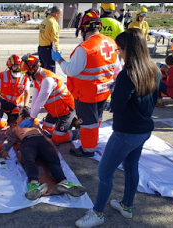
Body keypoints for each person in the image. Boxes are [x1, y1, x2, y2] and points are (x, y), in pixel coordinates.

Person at [75, 28, 160, 228]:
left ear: (130, 49)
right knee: (132, 167)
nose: (118, 53)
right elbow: (154, 98)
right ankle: (126, 206)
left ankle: (97, 213)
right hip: (144, 130)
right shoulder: (154, 69)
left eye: (120, 49)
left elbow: (117, 106)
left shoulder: (127, 75)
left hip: (125, 133)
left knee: (104, 172)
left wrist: (114, 91)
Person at [52, 11, 121, 157]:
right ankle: (93, 140)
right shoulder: (111, 43)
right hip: (104, 91)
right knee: (97, 119)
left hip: (86, 93)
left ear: (83, 29)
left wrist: (59, 59)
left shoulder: (85, 48)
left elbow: (71, 71)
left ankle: (88, 149)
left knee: (88, 123)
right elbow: (117, 69)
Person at [0, 109, 86, 201]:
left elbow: (46, 137)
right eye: (21, 116)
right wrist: (4, 149)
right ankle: (34, 184)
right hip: (28, 142)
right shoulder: (14, 128)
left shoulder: (34, 125)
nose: (23, 117)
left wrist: (54, 148)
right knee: (28, 161)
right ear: (16, 120)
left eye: (24, 116)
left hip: (42, 141)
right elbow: (8, 140)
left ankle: (64, 182)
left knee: (54, 159)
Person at [19, 54, 79, 145]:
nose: (26, 76)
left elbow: (40, 101)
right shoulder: (36, 79)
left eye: (26, 73)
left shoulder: (47, 80)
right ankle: (70, 124)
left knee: (57, 138)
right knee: (46, 131)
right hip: (54, 111)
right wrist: (31, 115)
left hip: (65, 110)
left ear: (32, 70)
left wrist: (31, 118)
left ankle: (79, 133)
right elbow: (34, 99)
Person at [0, 55, 31, 129]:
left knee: (27, 123)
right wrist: (1, 100)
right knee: (0, 124)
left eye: (19, 67)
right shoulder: (1, 75)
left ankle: (14, 122)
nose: (17, 69)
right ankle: (8, 121)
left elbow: (27, 93)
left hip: (17, 108)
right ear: (10, 67)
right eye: (15, 67)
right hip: (4, 106)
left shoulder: (25, 77)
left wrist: (26, 106)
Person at [38, 5, 63, 73]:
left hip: (41, 48)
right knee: (50, 71)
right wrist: (57, 52)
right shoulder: (53, 23)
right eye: (60, 15)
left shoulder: (44, 22)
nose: (60, 17)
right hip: (48, 50)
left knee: (42, 70)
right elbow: (55, 39)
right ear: (56, 13)